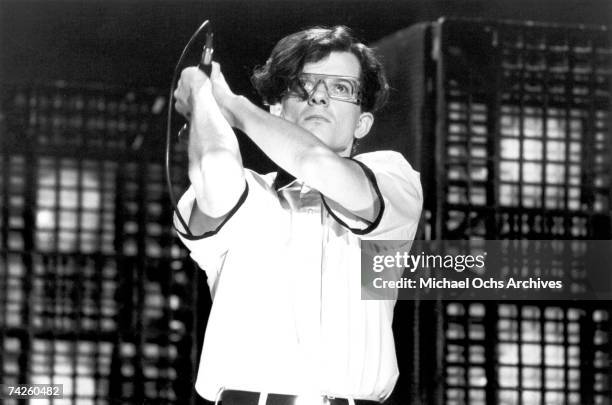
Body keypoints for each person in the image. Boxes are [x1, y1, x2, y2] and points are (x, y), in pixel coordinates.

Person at [173, 26, 422, 405]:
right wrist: (202, 98)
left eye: (341, 88)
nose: (320, 96)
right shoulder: (252, 193)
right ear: (276, 109)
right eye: (303, 85)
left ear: (362, 124)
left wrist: (234, 106)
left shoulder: (394, 179)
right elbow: (214, 167)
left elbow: (316, 164)